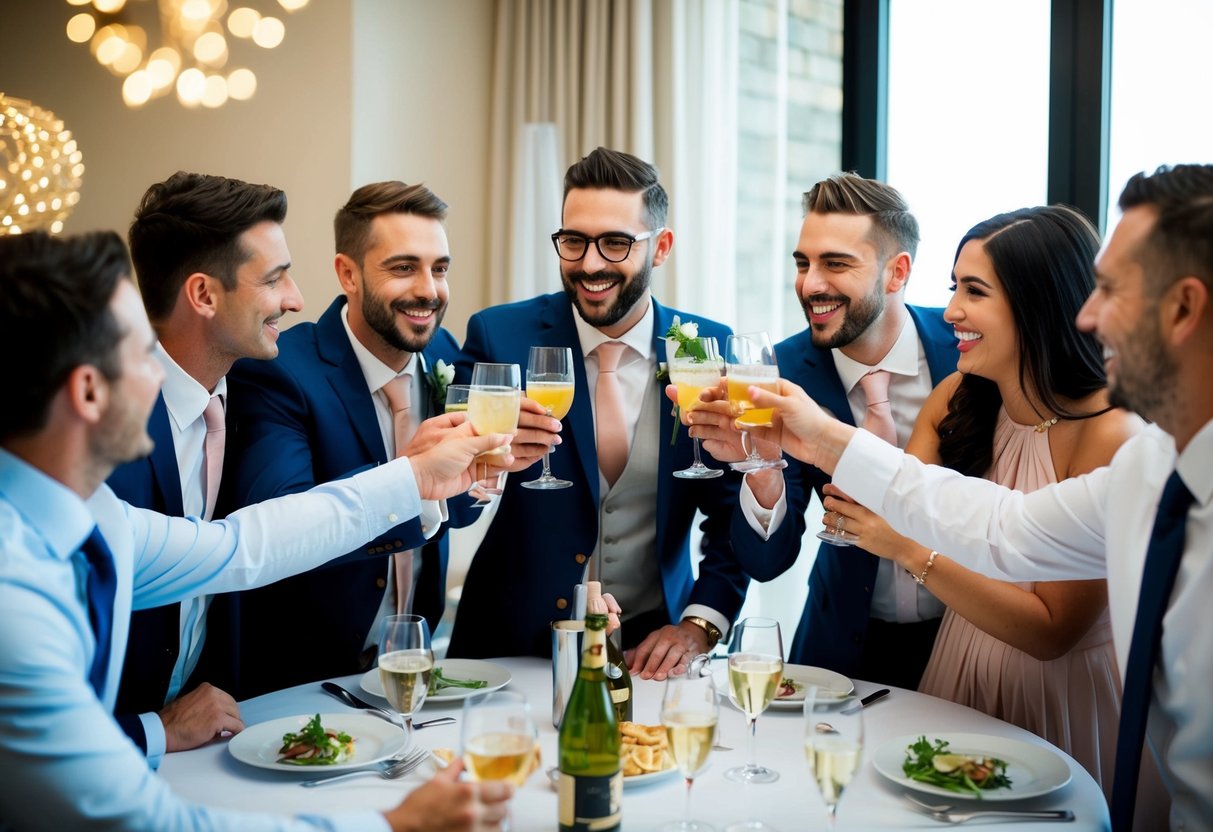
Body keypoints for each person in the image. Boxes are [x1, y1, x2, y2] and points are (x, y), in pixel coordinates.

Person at [740, 164, 1213, 831]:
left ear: (1184, 307)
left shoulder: (1122, 441)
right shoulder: (1150, 464)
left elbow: (1048, 615)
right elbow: (1007, 528)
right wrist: (817, 444)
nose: (1089, 314)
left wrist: (891, 530)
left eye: (1111, 290)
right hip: (935, 679)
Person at [0, 230, 512, 830]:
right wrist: (394, 826)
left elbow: (245, 546)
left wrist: (415, 478)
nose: (160, 375)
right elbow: (145, 822)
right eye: (142, 353)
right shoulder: (14, 600)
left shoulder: (97, 519)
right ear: (88, 391)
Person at [823, 205, 1140, 798]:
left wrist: (907, 547)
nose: (950, 312)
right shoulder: (956, 400)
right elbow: (890, 498)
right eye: (953, 287)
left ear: (1039, 304)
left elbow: (1052, 632)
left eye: (975, 291)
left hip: (1062, 695)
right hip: (958, 672)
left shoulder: (1110, 433)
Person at [221, 181, 541, 698]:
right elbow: (279, 522)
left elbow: (450, 509)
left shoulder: (445, 356)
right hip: (302, 683)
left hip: (417, 667)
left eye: (440, 268)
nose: (429, 290)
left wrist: (485, 475)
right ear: (348, 273)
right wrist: (406, 479)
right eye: (403, 267)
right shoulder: (282, 371)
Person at [448, 147, 749, 679]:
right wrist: (484, 463)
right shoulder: (499, 336)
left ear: (661, 248)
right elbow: (454, 506)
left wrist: (698, 626)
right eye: (574, 241)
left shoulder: (707, 350)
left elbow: (731, 521)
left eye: (615, 243)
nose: (590, 264)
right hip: (508, 649)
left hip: (648, 654)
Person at [691, 173, 956, 689]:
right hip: (838, 656)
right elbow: (767, 563)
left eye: (835, 264)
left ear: (896, 272)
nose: (810, 284)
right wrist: (761, 469)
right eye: (803, 263)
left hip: (967, 644)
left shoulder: (963, 351)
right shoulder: (780, 372)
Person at [107, 171, 303, 763]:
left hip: (214, 743)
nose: (294, 299)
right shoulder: (103, 431)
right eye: (274, 279)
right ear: (203, 295)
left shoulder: (259, 393)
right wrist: (154, 729)